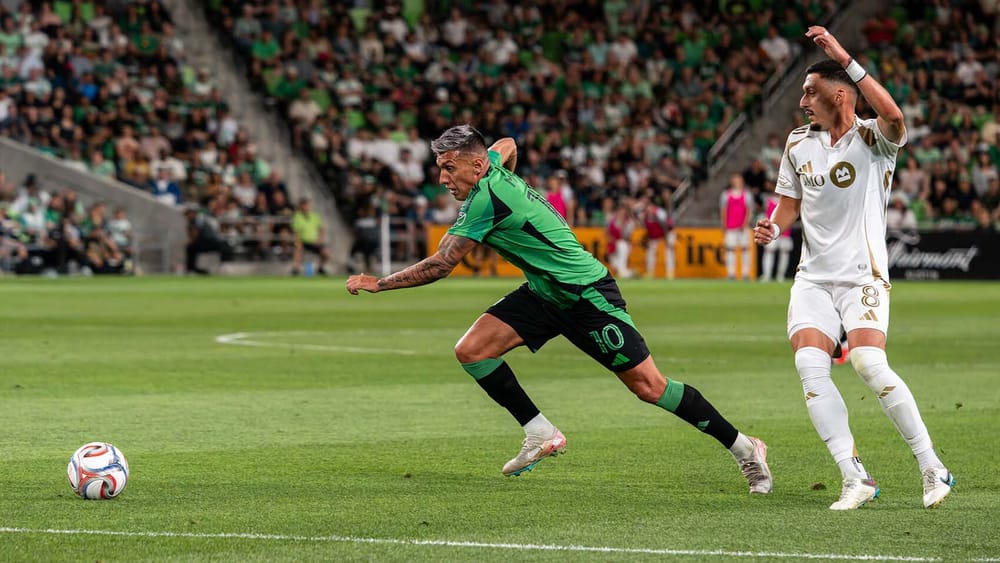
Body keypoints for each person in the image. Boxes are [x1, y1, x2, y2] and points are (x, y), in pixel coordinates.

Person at [347, 125, 772, 494]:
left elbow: (442, 263)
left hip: (586, 294)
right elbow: (508, 143)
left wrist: (379, 284)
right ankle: (540, 433)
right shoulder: (490, 166)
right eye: (439, 166)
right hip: (544, 292)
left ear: (476, 167)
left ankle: (745, 448)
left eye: (449, 167)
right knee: (472, 349)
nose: (442, 177)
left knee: (650, 387)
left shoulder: (484, 198)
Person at [753, 26, 953, 510]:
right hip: (813, 279)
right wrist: (774, 228)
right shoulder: (799, 143)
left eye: (809, 90)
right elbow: (788, 203)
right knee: (809, 366)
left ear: (839, 92)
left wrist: (845, 56)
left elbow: (894, 114)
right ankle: (853, 476)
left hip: (863, 275)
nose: (802, 100)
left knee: (867, 362)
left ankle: (932, 467)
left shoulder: (875, 139)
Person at [720, 173, 753, 280]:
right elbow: (723, 210)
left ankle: (745, 273)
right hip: (730, 226)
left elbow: (749, 210)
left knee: (745, 249)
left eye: (738, 180)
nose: (737, 182)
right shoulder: (726, 194)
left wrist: (746, 223)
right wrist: (724, 224)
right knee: (730, 250)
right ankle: (731, 273)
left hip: (743, 227)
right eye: (735, 180)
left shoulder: (747, 194)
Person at [758, 181, 792, 282]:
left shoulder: (788, 200)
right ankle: (767, 275)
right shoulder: (767, 199)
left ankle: (780, 276)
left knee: (784, 252)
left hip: (785, 229)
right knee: (769, 251)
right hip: (771, 229)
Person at [290, 197, 331, 275]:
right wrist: (298, 242)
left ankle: (320, 268)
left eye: (307, 205)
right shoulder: (297, 217)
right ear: (301, 206)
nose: (306, 207)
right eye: (304, 205)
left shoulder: (315, 216)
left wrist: (320, 240)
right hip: (303, 242)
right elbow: (296, 232)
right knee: (298, 249)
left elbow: (321, 229)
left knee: (326, 253)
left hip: (314, 242)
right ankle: (295, 269)